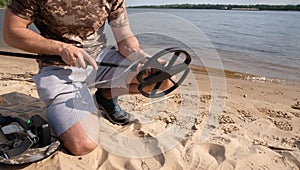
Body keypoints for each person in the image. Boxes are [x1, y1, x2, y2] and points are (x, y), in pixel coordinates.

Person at [2, 0, 172, 155]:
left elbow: (125, 39)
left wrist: (142, 59)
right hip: (58, 68)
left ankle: (106, 96)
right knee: (83, 145)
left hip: (102, 61)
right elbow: (12, 33)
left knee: (161, 79)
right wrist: (61, 48)